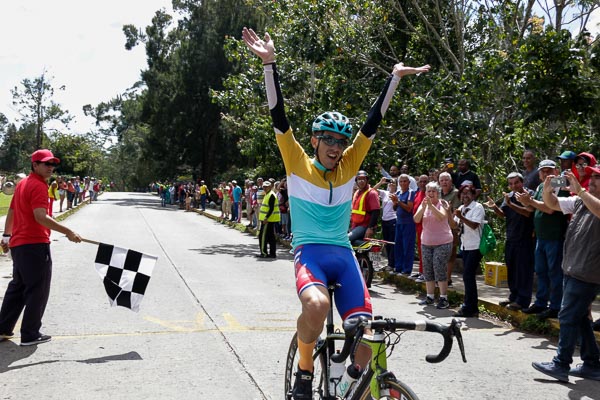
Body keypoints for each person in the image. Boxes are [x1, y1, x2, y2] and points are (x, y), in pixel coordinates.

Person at [242, 27, 430, 399]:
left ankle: (348, 383)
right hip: (310, 251)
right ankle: (305, 368)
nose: (336, 146)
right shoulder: (297, 161)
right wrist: (269, 64)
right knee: (316, 304)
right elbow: (279, 117)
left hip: (342, 253)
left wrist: (394, 78)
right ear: (314, 141)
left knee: (366, 330)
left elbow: (373, 123)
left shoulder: (348, 165)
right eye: (328, 139)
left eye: (341, 141)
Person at [0, 149, 82, 346]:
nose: (50, 168)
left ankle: (2, 329)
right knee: (38, 289)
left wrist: (6, 235)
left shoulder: (23, 184)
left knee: (18, 287)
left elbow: (11, 210)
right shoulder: (36, 185)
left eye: (52, 164)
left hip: (20, 245)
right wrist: (68, 231)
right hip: (34, 244)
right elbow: (40, 217)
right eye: (46, 164)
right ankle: (30, 333)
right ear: (34, 165)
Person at [532, 167, 600, 382]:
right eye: (593, 177)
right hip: (572, 268)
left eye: (598, 178)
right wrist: (547, 187)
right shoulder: (581, 202)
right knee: (579, 318)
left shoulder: (587, 199)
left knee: (567, 316)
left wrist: (580, 191)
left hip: (587, 272)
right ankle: (592, 363)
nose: (593, 181)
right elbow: (552, 204)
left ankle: (561, 364)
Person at [515, 160, 569, 319]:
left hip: (554, 237)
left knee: (554, 272)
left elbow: (550, 209)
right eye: (543, 171)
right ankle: (540, 303)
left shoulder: (561, 184)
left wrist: (530, 201)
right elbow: (533, 207)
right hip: (541, 237)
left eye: (549, 171)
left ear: (556, 171)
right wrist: (525, 201)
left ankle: (556, 306)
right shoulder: (540, 187)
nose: (546, 174)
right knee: (541, 271)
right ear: (539, 174)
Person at [485, 172, 535, 311]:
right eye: (511, 183)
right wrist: (494, 206)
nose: (514, 186)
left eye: (516, 183)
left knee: (523, 270)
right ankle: (513, 296)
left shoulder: (529, 194)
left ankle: (523, 300)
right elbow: (503, 214)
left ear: (522, 182)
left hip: (525, 239)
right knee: (511, 269)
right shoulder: (509, 196)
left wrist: (511, 204)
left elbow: (527, 212)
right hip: (511, 238)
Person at [413, 181, 454, 309]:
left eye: (433, 191)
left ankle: (443, 298)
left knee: (439, 268)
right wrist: (425, 207)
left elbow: (442, 216)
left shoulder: (443, 203)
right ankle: (430, 296)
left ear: (438, 193)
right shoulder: (423, 204)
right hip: (426, 242)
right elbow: (416, 219)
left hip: (443, 242)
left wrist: (431, 206)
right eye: (429, 191)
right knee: (428, 270)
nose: (431, 193)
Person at [453, 183, 485, 317]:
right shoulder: (461, 208)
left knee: (468, 275)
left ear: (473, 195)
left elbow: (474, 225)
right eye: (463, 193)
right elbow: (455, 225)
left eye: (468, 193)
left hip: (475, 246)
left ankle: (470, 306)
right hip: (465, 245)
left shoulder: (478, 207)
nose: (465, 196)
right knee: (467, 277)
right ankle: (471, 306)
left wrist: (460, 217)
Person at [391, 174, 417, 275]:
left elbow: (409, 208)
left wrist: (398, 201)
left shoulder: (410, 193)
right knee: (398, 246)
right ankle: (398, 267)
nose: (402, 183)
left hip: (408, 223)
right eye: (400, 182)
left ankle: (406, 269)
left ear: (409, 182)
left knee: (408, 247)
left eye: (404, 181)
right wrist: (395, 202)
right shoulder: (398, 192)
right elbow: (395, 208)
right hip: (399, 222)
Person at [348, 170, 380, 243]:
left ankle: (373, 248)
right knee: (353, 242)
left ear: (367, 180)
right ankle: (369, 248)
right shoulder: (357, 192)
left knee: (346, 239)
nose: (361, 181)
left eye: (363, 179)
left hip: (365, 226)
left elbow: (376, 212)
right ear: (356, 181)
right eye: (359, 179)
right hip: (355, 225)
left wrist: (370, 228)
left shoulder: (371, 193)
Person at [372, 176, 397, 270]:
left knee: (392, 241)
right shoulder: (385, 193)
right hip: (384, 220)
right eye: (390, 182)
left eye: (393, 182)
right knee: (386, 242)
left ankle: (392, 264)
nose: (391, 184)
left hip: (393, 219)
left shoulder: (397, 194)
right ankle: (390, 263)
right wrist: (381, 182)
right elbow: (372, 191)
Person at [257, 181, 280, 258]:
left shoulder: (271, 195)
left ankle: (264, 253)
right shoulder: (267, 194)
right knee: (271, 237)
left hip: (267, 220)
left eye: (266, 187)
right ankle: (272, 253)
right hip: (269, 219)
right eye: (264, 187)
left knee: (262, 236)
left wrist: (266, 218)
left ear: (270, 187)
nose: (265, 188)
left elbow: (271, 208)